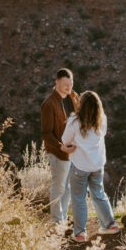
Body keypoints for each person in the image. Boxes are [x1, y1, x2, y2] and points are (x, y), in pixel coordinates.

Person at [61, 90, 120, 244]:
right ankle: (110, 224)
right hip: (97, 165)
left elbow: (65, 139)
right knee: (99, 194)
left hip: (80, 166)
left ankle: (80, 233)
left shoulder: (74, 121)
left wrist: (73, 144)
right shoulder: (102, 119)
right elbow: (102, 134)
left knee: (79, 199)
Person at [40, 68, 80, 229]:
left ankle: (62, 218)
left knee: (68, 187)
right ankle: (57, 221)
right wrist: (61, 147)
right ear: (56, 82)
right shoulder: (49, 104)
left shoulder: (68, 98)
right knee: (58, 187)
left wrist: (72, 94)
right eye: (65, 84)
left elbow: (79, 108)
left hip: (69, 153)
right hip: (58, 153)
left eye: (70, 84)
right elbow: (46, 133)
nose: (68, 87)